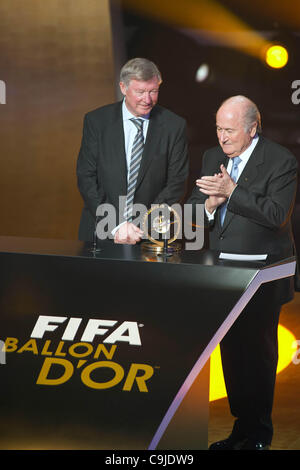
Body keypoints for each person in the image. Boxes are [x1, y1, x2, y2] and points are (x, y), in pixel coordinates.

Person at [188, 95, 298, 450]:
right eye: (219, 128)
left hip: (263, 275)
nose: (223, 137)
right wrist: (208, 204)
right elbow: (194, 208)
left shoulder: (281, 160)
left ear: (252, 128)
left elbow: (277, 214)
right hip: (223, 274)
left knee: (259, 356)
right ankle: (241, 429)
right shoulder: (211, 157)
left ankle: (259, 435)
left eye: (230, 130)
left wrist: (233, 191)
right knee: (232, 355)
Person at [76, 57, 189, 244]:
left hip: (149, 234)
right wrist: (116, 225)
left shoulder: (174, 126)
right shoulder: (97, 122)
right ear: (123, 88)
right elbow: (86, 177)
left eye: (153, 91)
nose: (147, 99)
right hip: (101, 231)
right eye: (140, 92)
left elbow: (177, 182)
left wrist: (141, 226)